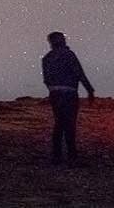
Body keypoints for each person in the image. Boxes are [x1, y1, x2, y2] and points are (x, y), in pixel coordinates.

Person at [42, 30, 95, 165]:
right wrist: (90, 90)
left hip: (55, 93)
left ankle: (57, 155)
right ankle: (72, 156)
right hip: (69, 93)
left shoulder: (47, 58)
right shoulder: (69, 55)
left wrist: (53, 89)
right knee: (69, 124)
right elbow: (79, 73)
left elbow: (46, 79)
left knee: (59, 123)